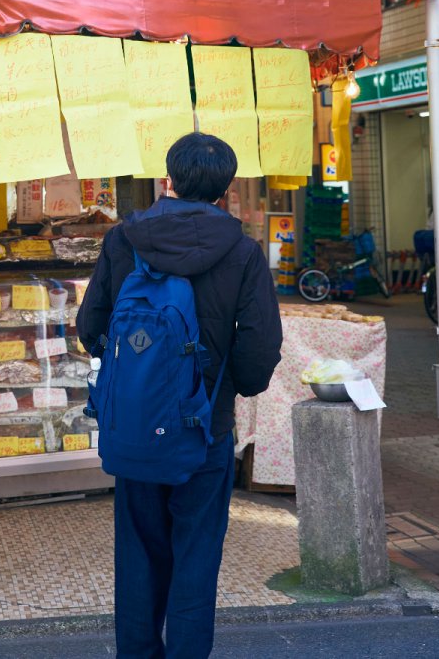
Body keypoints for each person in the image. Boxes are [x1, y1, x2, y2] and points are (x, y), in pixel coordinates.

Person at [77, 132, 283, 659]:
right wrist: (231, 386)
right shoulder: (242, 252)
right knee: (196, 557)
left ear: (168, 178)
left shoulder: (125, 239)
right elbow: (259, 351)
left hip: (136, 425)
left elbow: (89, 325)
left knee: (139, 556)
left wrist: (137, 375)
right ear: (226, 188)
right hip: (206, 427)